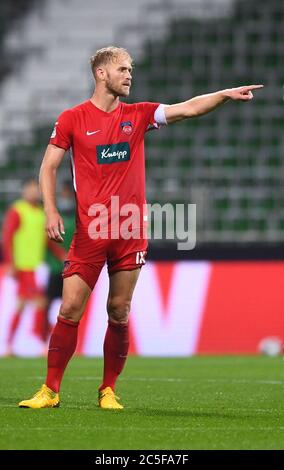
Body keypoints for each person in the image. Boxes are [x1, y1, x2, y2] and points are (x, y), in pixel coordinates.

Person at [18, 46, 263, 409]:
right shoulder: (72, 119)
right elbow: (48, 166)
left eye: (130, 69)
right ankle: (50, 390)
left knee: (119, 310)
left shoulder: (139, 114)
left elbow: (188, 108)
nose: (129, 75)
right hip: (91, 231)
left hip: (130, 232)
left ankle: (108, 390)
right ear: (101, 74)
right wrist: (51, 211)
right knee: (70, 308)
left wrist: (223, 96)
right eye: (122, 69)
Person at [2, 180, 48, 355]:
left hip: (37, 266)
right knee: (40, 303)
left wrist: (60, 254)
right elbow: (7, 237)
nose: (34, 192)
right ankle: (41, 344)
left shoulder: (41, 213)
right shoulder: (17, 210)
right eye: (31, 189)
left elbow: (45, 240)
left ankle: (9, 345)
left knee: (22, 305)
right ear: (24, 191)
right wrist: (10, 262)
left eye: (36, 189)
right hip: (23, 266)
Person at [44, 180, 75, 341]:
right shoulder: (54, 212)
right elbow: (47, 238)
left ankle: (65, 341)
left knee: (71, 305)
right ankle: (44, 339)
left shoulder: (77, 213)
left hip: (72, 266)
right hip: (56, 266)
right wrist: (61, 255)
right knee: (48, 304)